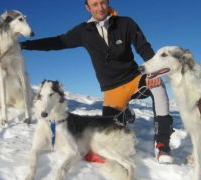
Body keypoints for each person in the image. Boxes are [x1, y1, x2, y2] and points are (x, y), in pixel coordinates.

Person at [21, 0, 174, 164]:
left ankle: (162, 144)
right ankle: (126, 113)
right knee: (110, 131)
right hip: (112, 89)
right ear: (87, 7)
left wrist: (154, 73)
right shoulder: (83, 31)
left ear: (108, 3)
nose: (100, 8)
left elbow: (144, 48)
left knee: (158, 85)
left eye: (103, 3)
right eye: (95, 4)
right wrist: (24, 45)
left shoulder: (126, 23)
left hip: (135, 79)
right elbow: (58, 42)